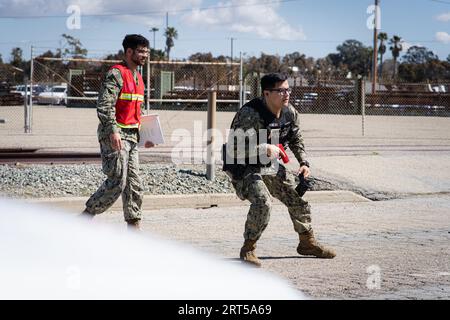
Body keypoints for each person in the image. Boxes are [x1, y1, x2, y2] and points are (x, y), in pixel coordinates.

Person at [224, 73, 336, 267]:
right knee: (263, 203)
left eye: (288, 89)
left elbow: (295, 138)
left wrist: (304, 163)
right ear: (267, 93)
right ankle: (248, 248)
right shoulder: (249, 114)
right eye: (281, 90)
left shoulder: (289, 113)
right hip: (242, 167)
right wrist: (264, 148)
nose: (286, 94)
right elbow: (234, 149)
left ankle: (307, 242)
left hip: (268, 164)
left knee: (296, 197)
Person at [82, 34, 153, 230]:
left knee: (134, 184)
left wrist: (148, 135)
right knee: (117, 182)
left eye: (147, 52)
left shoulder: (138, 76)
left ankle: (133, 227)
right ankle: (85, 217)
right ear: (129, 52)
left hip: (133, 137)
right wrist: (113, 131)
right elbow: (105, 106)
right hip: (116, 136)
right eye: (141, 51)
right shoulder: (116, 73)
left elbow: (138, 110)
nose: (145, 55)